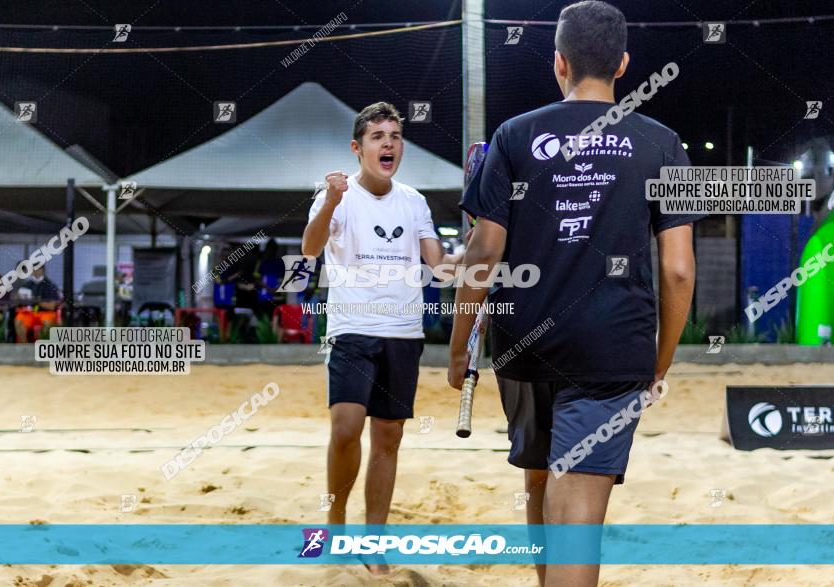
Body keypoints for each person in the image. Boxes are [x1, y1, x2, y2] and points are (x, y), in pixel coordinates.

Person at [448, 2, 704, 585]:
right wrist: (658, 362)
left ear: (558, 63)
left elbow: (482, 255)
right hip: (614, 347)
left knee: (540, 483)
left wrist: (460, 345)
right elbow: (680, 270)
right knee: (578, 512)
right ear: (624, 64)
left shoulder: (513, 135)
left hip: (523, 347)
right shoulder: (663, 143)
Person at [302, 102, 464, 575]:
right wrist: (330, 201)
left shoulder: (413, 201)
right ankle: (335, 521)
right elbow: (311, 248)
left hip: (403, 333)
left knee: (388, 439)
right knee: (346, 430)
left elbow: (438, 266)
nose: (388, 143)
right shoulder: (336, 195)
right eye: (378, 136)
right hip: (353, 329)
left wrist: (473, 251)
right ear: (358, 148)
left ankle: (374, 540)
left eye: (394, 135)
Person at [14, 266, 62, 342]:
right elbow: (18, 300)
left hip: (46, 313)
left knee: (47, 322)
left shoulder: (50, 285)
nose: (35, 271)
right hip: (30, 313)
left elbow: (52, 306)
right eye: (33, 269)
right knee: (19, 320)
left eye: (38, 269)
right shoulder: (27, 285)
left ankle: (41, 346)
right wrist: (18, 297)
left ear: (43, 270)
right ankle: (24, 347)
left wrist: (38, 302)